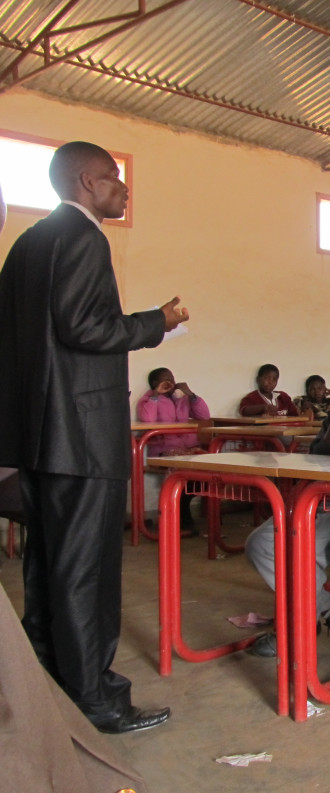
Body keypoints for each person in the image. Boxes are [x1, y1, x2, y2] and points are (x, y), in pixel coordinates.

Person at [0, 140, 187, 733]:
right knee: (88, 571)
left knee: (49, 565)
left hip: (41, 437)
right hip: (82, 437)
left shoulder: (27, 245)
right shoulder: (84, 238)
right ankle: (96, 698)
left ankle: (48, 682)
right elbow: (86, 327)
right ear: (84, 182)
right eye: (113, 178)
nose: (123, 189)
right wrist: (158, 322)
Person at [246, 351, 330, 658]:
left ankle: (296, 628)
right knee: (259, 544)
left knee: (291, 550)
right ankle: (329, 611)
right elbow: (318, 457)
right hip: (321, 501)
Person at [136, 367, 210, 455]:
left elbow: (204, 416)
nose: (171, 383)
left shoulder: (182, 398)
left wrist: (191, 394)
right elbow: (148, 419)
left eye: (172, 379)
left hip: (190, 446)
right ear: (155, 383)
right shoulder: (148, 400)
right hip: (164, 449)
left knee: (209, 461)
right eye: (167, 380)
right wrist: (155, 394)